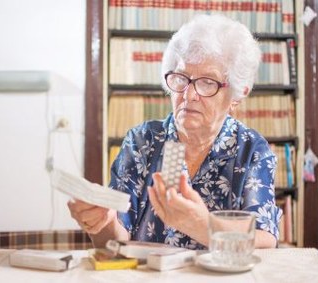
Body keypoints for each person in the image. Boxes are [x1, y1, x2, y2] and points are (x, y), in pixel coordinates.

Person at [68, 14, 282, 249]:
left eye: (207, 82)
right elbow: (115, 240)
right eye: (181, 78)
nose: (189, 95)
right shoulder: (142, 141)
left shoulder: (251, 149)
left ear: (237, 95)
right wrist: (104, 222)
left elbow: (264, 238)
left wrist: (202, 226)